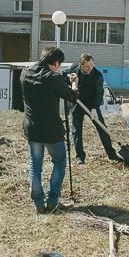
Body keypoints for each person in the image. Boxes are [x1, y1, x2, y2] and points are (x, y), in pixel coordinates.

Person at [20, 46, 78, 213]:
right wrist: (74, 83)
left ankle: (38, 204)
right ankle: (52, 200)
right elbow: (72, 96)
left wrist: (61, 80)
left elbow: (45, 86)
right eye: (59, 65)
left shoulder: (26, 73)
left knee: (35, 166)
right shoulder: (53, 78)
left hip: (32, 128)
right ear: (56, 62)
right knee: (59, 162)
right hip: (52, 130)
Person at [65, 54, 119, 164]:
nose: (90, 68)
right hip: (77, 103)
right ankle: (80, 157)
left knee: (102, 127)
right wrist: (68, 78)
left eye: (92, 65)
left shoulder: (97, 75)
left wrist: (94, 108)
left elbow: (99, 93)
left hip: (91, 104)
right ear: (81, 65)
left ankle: (111, 154)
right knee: (76, 131)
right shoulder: (73, 69)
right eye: (87, 66)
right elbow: (61, 76)